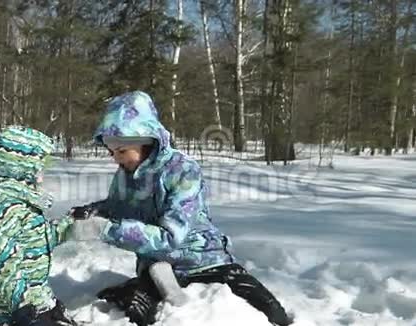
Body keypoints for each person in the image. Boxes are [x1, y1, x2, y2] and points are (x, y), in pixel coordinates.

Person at [70, 91, 292, 326]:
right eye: (111, 152)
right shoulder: (125, 175)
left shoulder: (182, 171)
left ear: (146, 140)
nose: (116, 159)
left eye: (121, 151)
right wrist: (92, 212)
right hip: (155, 264)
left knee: (272, 314)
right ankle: (158, 283)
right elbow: (117, 207)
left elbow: (171, 237)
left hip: (205, 262)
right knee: (133, 315)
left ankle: (168, 283)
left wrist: (105, 230)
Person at [0, 126, 77, 326]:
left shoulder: (21, 203)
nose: (43, 174)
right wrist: (23, 304)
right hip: (12, 309)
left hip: (34, 298)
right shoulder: (1, 208)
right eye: (41, 166)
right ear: (21, 169)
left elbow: (33, 241)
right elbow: (1, 261)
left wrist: (70, 226)